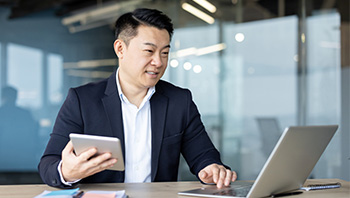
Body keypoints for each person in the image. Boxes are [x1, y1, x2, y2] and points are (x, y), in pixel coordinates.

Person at [38, 8, 237, 189]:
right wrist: (66, 172)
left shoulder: (179, 101)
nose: (158, 62)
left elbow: (203, 155)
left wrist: (212, 168)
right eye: (149, 51)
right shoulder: (82, 100)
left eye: (165, 53)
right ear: (120, 49)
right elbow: (49, 164)